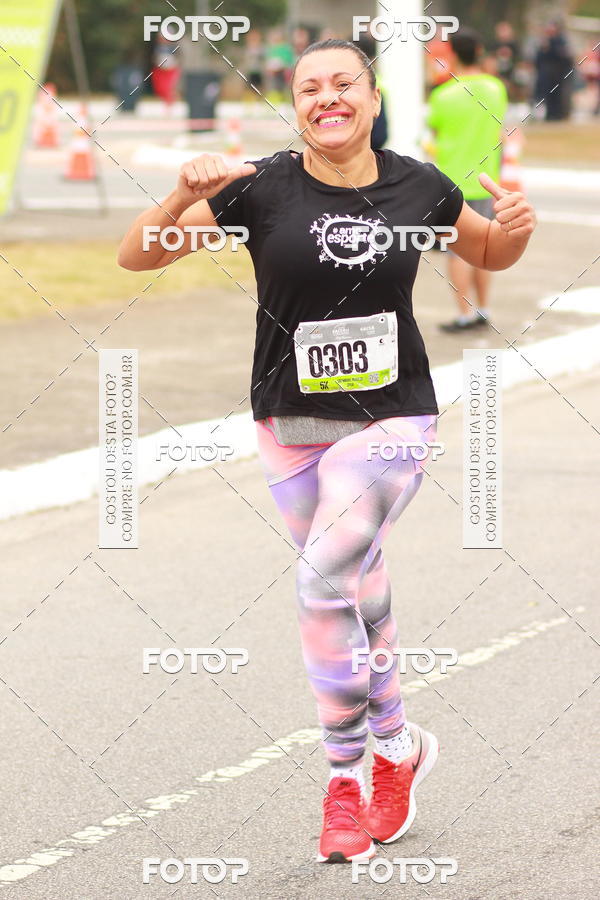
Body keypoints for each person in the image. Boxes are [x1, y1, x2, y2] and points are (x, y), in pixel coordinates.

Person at [118, 38, 536, 863]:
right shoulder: (261, 187)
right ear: (297, 104)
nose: (326, 97)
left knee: (320, 580)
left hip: (392, 417)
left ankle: (345, 782)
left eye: (343, 83)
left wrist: (516, 228)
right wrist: (177, 196)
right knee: (355, 586)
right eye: (309, 87)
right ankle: (398, 746)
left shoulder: (419, 185)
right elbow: (138, 254)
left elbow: (487, 251)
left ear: (373, 100)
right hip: (290, 421)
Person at [427, 28, 508, 333]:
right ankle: (484, 308)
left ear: (453, 55)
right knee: (485, 246)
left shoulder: (442, 95)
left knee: (457, 251)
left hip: (452, 184)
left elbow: (434, 134)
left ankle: (464, 314)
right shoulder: (496, 88)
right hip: (488, 182)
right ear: (480, 52)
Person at [534, 22, 573, 122]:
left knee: (559, 95)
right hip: (547, 74)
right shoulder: (544, 42)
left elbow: (566, 58)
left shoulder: (561, 41)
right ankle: (550, 114)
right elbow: (539, 58)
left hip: (558, 74)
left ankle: (559, 114)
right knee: (548, 95)